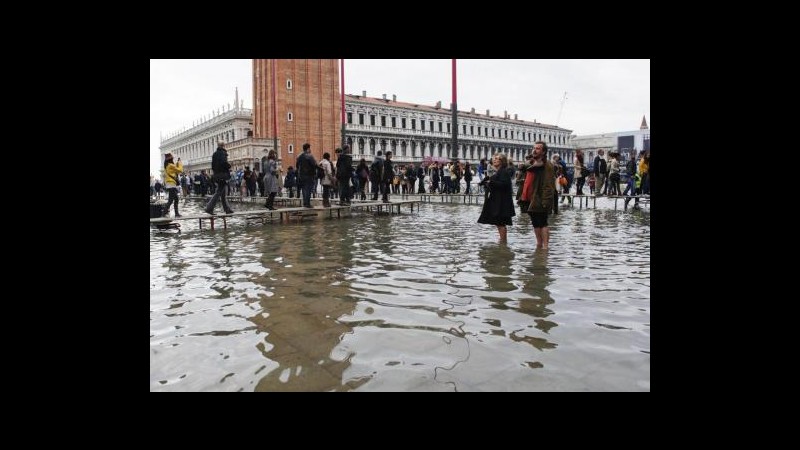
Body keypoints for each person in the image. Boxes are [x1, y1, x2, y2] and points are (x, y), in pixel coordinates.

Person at [518, 141, 555, 249]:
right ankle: (539, 245)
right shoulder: (532, 162)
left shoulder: (547, 165)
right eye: (533, 148)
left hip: (540, 197)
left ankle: (545, 247)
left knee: (543, 222)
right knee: (535, 222)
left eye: (538, 148)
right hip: (530, 197)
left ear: (543, 152)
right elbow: (525, 169)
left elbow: (548, 184)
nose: (534, 150)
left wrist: (546, 201)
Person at [477, 153, 516, 242]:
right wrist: (487, 182)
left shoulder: (503, 172)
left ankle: (503, 242)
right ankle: (502, 242)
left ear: (502, 161)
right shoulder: (499, 171)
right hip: (499, 201)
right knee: (499, 223)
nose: (494, 160)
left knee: (501, 223)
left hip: (502, 202)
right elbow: (495, 182)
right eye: (494, 158)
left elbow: (504, 185)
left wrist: (490, 182)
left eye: (497, 159)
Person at [205, 142, 234, 215]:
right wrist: (229, 166)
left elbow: (213, 166)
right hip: (222, 175)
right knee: (218, 192)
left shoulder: (215, 154)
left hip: (217, 175)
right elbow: (224, 163)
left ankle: (227, 209)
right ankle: (209, 208)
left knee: (223, 193)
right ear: (223, 146)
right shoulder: (223, 153)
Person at [296, 143, 317, 208]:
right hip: (309, 175)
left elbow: (297, 165)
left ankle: (305, 203)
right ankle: (307, 203)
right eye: (309, 148)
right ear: (308, 149)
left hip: (301, 176)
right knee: (308, 189)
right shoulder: (309, 156)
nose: (310, 150)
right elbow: (314, 165)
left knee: (304, 189)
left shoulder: (299, 156)